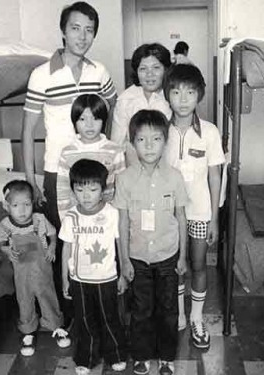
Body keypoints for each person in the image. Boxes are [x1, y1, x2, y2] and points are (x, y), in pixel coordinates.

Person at [21, 1, 117, 327]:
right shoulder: (41, 75)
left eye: (89, 30)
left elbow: (110, 111)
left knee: (100, 237)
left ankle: (102, 307)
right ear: (63, 30)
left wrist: (109, 151)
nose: (83, 36)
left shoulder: (99, 72)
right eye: (76, 28)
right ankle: (72, 316)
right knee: (66, 242)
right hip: (57, 173)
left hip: (96, 170)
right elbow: (27, 131)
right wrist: (30, 178)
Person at [113, 110, 188, 375]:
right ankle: (142, 356)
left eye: (156, 139)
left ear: (165, 142)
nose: (149, 146)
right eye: (142, 139)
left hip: (168, 255)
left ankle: (167, 357)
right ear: (132, 142)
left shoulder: (175, 177)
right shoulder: (124, 179)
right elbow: (121, 223)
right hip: (137, 258)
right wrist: (123, 261)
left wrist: (183, 257)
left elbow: (182, 218)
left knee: (168, 310)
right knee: (141, 310)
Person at [163, 64, 225, 350]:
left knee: (199, 266)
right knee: (176, 267)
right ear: (168, 95)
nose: (183, 98)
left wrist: (214, 218)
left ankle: (197, 318)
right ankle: (178, 316)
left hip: (200, 211)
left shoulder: (210, 132)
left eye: (190, 92)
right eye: (176, 92)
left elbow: (215, 175)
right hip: (169, 214)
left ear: (199, 94)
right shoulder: (160, 131)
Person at [59, 159, 127, 375]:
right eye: (79, 189)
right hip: (79, 280)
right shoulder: (71, 217)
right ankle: (86, 358)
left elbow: (119, 243)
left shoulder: (112, 213)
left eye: (92, 189)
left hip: (107, 278)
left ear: (103, 189)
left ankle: (115, 354)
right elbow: (66, 250)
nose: (86, 195)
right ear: (73, 191)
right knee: (85, 321)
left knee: (110, 318)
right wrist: (64, 279)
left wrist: (123, 274)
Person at [0, 180, 71, 356]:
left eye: (27, 204)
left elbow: (53, 235)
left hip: (42, 270)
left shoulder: (40, 220)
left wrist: (52, 247)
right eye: (15, 205)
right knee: (24, 300)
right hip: (22, 273)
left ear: (33, 203)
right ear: (7, 206)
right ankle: (28, 332)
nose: (22, 210)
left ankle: (56, 327)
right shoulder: (6, 225)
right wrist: (6, 249)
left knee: (48, 297)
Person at [57, 94, 125, 221]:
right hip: (77, 221)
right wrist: (66, 222)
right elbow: (63, 192)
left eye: (95, 118)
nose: (89, 125)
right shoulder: (67, 153)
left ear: (103, 121)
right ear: (74, 122)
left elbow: (121, 190)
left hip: (107, 220)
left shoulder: (115, 151)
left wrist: (116, 221)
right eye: (82, 119)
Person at [111, 43, 172, 164]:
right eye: (143, 69)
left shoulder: (173, 97)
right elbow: (116, 145)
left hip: (168, 168)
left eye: (156, 67)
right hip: (134, 168)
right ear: (136, 72)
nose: (150, 74)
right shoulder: (125, 100)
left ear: (165, 69)